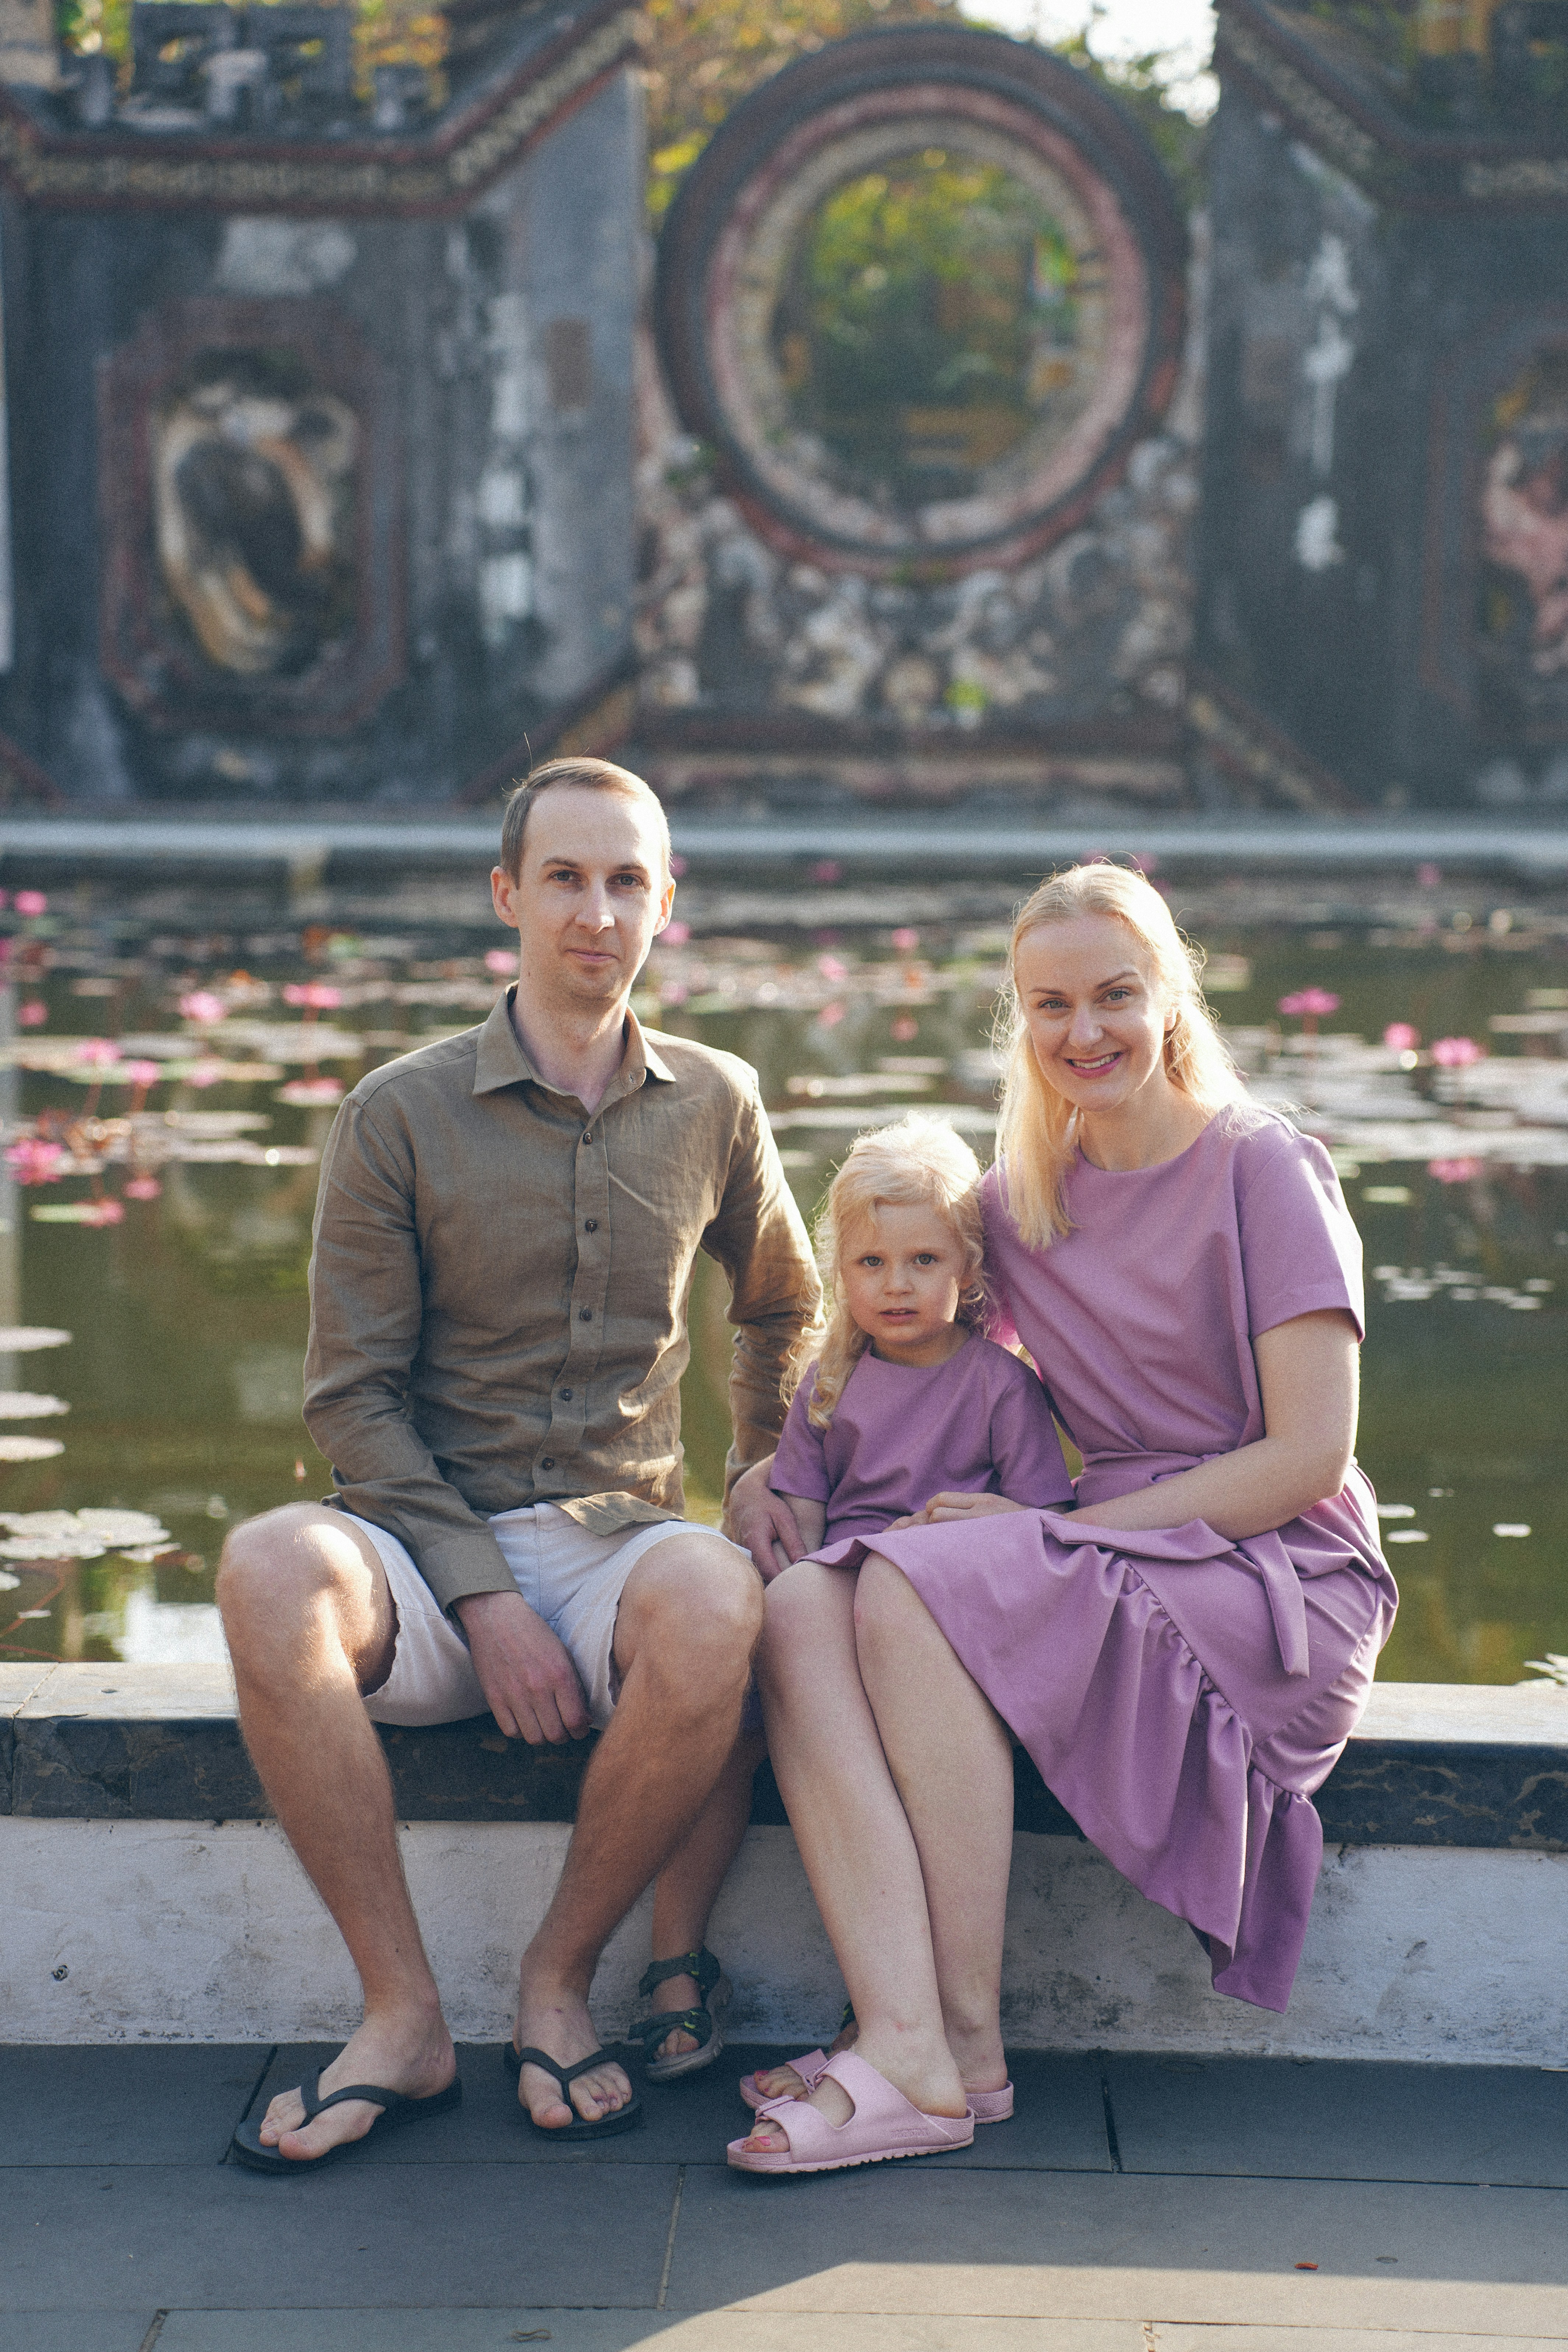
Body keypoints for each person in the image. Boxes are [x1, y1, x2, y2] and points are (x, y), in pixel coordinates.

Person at [727, 861, 1396, 2178]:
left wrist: (1080, 1533)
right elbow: (881, 1284)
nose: (1083, 1033)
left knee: (914, 1583)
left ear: (1169, 999)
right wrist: (763, 1464)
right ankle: (910, 2034)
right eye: (1049, 1004)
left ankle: (952, 2046)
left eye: (1112, 996)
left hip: (1273, 1568)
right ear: (1018, 1018)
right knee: (804, 1600)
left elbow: (1311, 1455)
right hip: (1111, 1540)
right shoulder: (1016, 1203)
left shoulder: (1262, 1166)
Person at [218, 756, 819, 2171]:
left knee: (723, 1599)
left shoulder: (719, 1101)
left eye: (626, 881)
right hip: (426, 1552)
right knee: (262, 1567)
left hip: (623, 1542)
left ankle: (558, 1977)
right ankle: (403, 2013)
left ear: (665, 905)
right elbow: (352, 1398)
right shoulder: (397, 1112)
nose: (594, 911)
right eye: (565, 876)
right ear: (508, 896)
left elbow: (788, 1303)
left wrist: (762, 1463)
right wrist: (482, 1596)